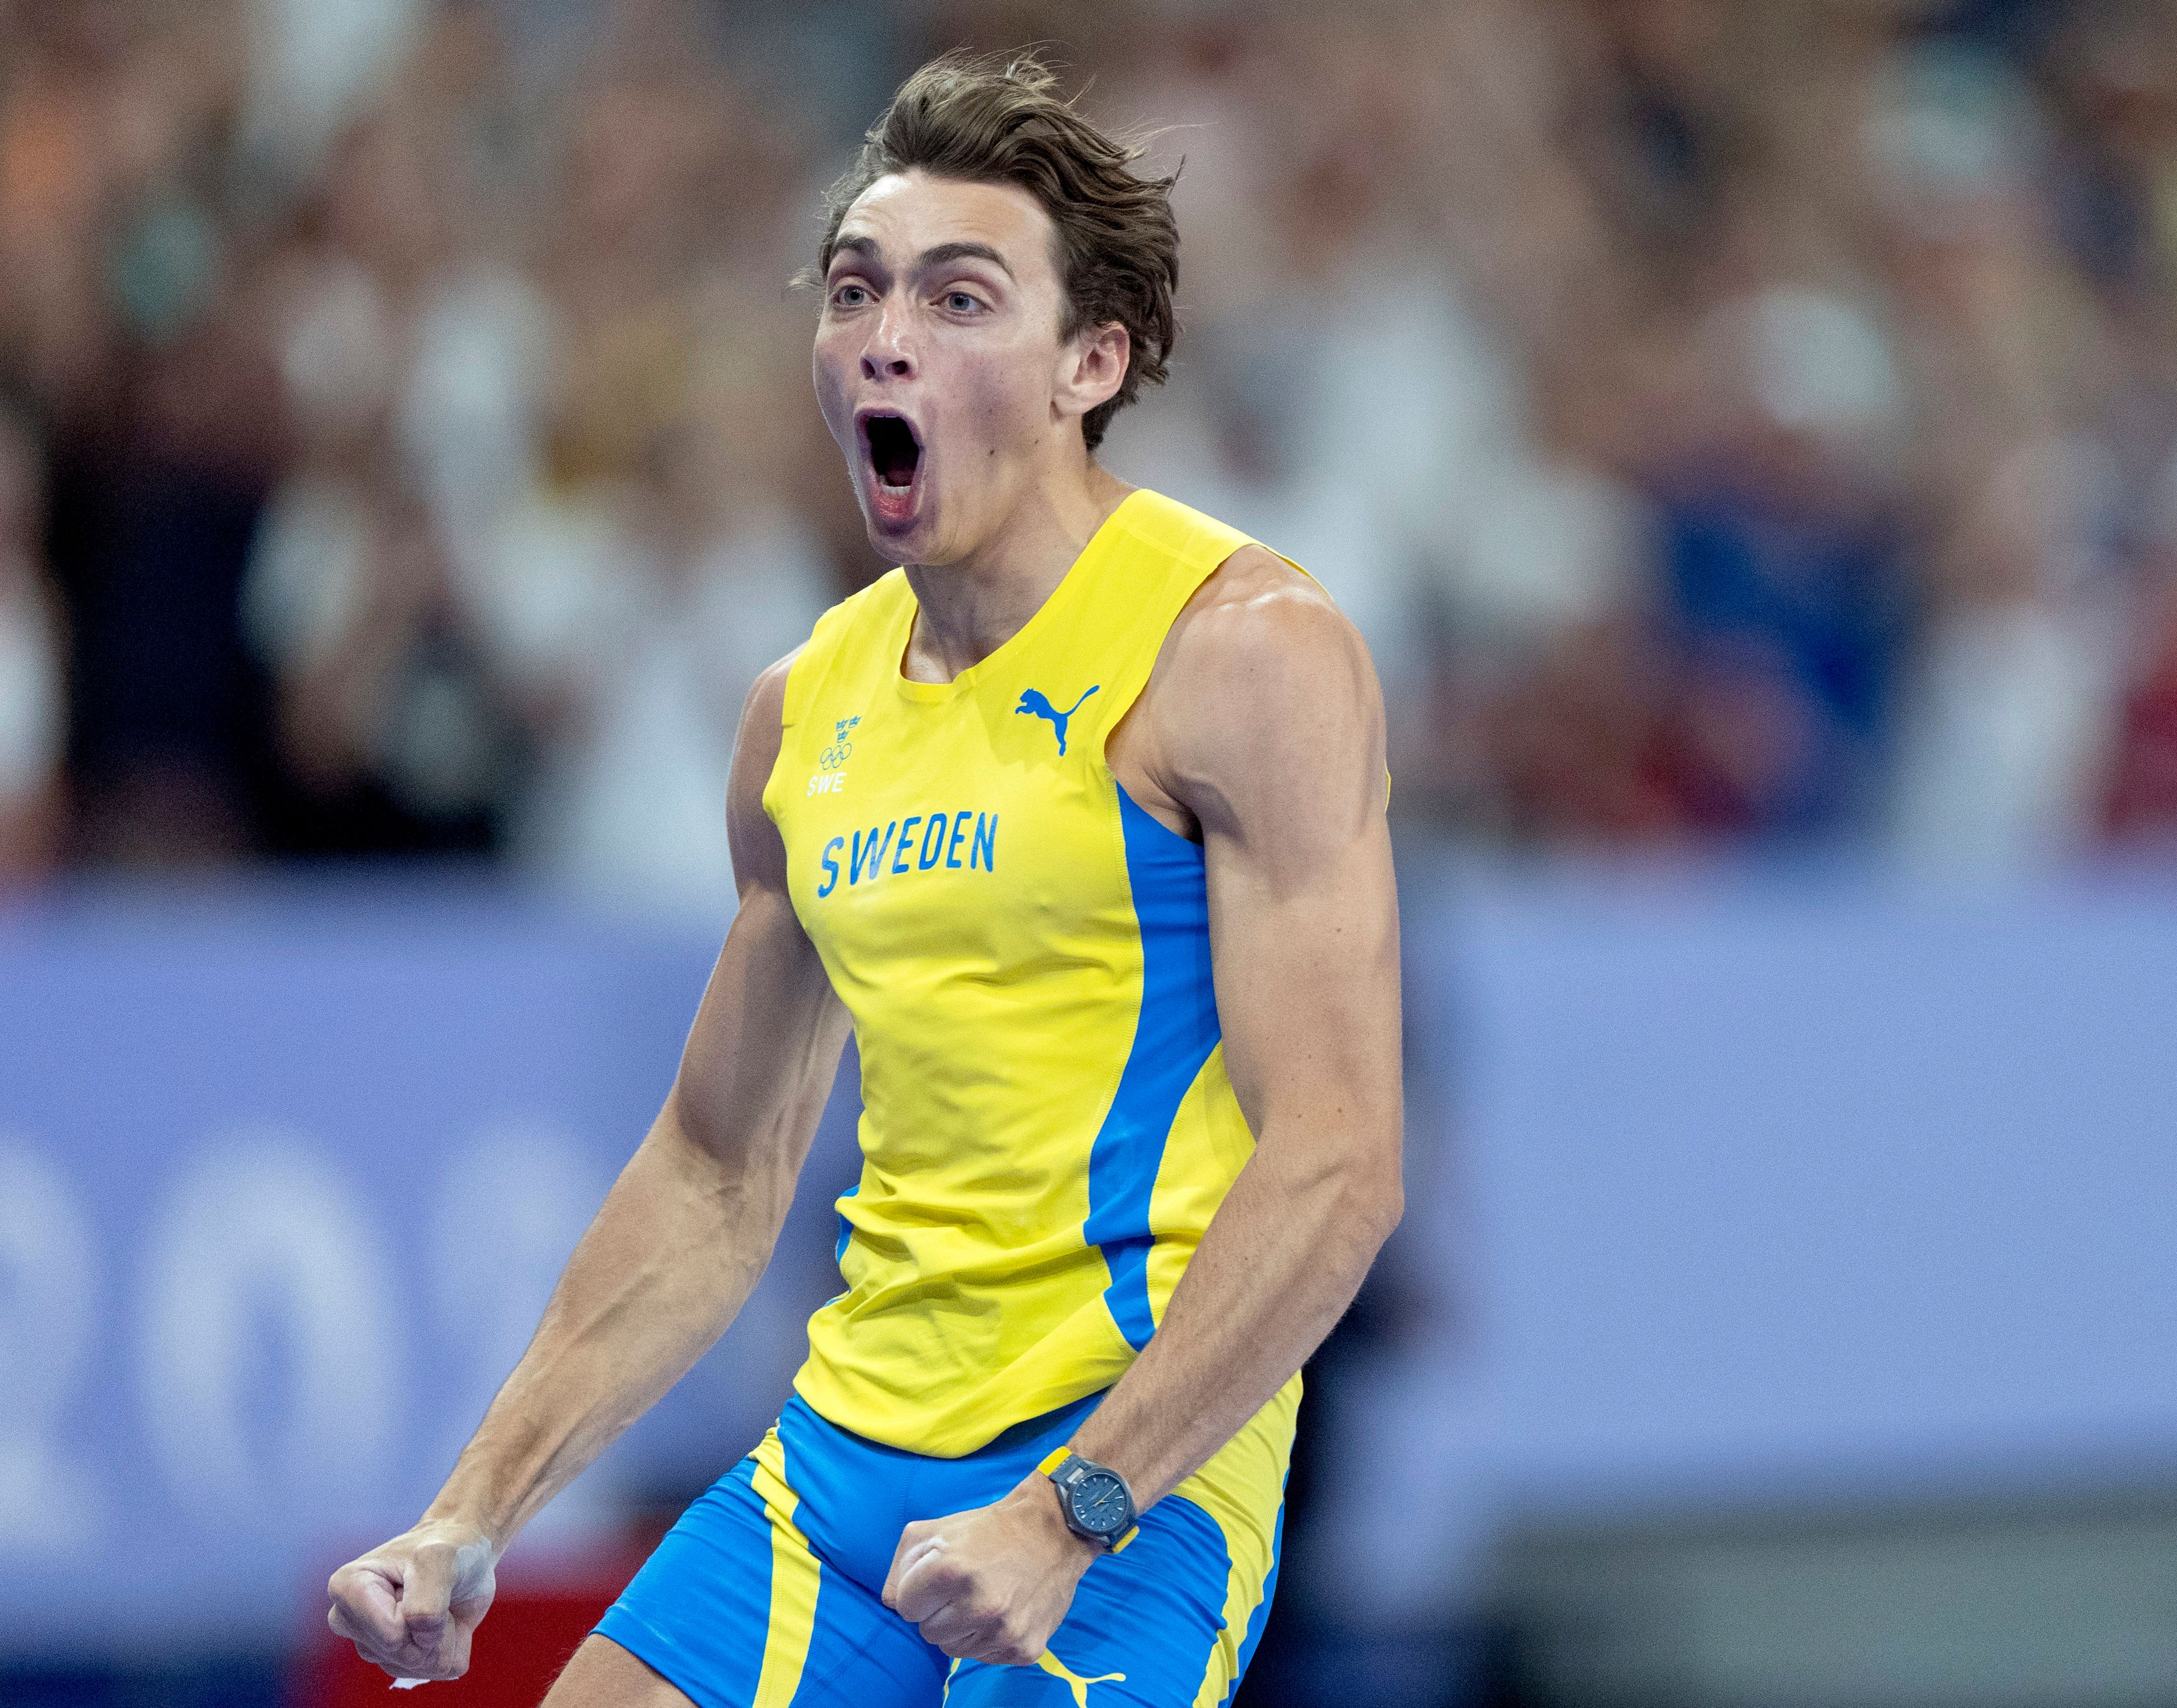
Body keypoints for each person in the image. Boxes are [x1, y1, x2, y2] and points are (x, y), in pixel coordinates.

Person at [325, 51, 1403, 1707]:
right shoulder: (799, 716)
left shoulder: (1241, 655)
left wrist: (1070, 1510)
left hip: (1133, 1478)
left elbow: (1339, 1161)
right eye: (856, 291)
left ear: (1088, 361)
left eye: (963, 297)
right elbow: (711, 1170)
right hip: (846, 1461)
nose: (887, 333)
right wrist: (473, 1515)